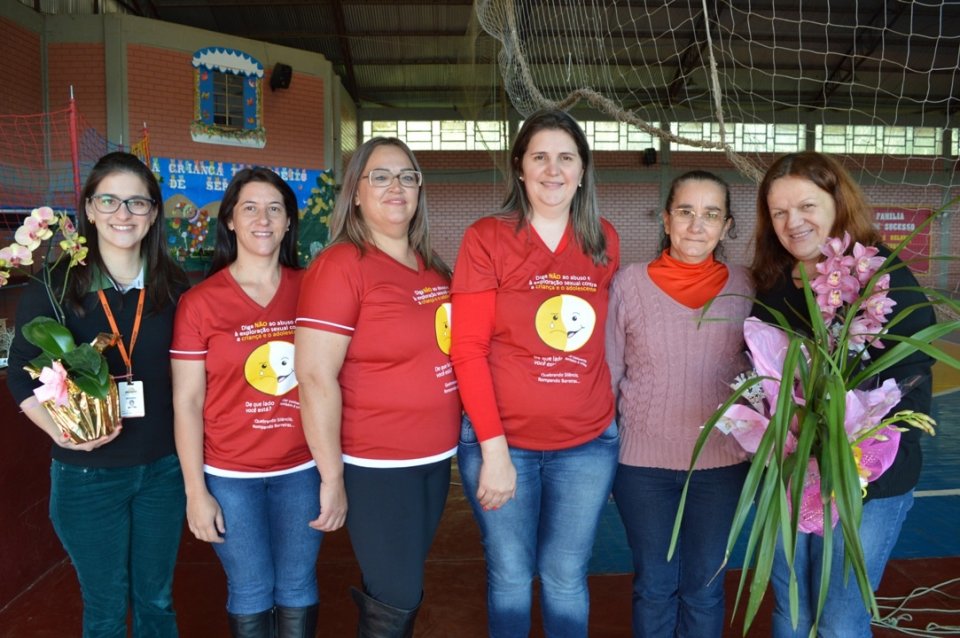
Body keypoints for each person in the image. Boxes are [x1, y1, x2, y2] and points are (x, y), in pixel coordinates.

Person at [751, 151, 936, 638]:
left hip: (869, 481)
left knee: (838, 620)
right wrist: (782, 421)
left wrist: (851, 437)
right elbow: (759, 375)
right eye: (779, 212)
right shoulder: (772, 286)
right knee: (791, 613)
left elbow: (914, 377)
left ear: (837, 202)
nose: (793, 222)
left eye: (807, 206)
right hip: (792, 475)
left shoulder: (882, 278)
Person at [450, 109, 620, 637]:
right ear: (519, 168)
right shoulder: (487, 237)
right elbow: (467, 350)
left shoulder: (603, 239)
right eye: (539, 157)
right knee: (511, 574)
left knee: (567, 575)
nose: (553, 169)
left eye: (566, 157)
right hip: (505, 447)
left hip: (587, 444)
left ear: (583, 170)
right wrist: (494, 451)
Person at [6, 151, 189, 637]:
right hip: (89, 476)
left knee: (157, 599)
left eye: (136, 202)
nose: (122, 214)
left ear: (153, 213)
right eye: (109, 200)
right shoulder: (57, 284)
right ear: (88, 209)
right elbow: (21, 376)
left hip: (163, 471)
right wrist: (62, 436)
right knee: (105, 610)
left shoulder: (175, 288)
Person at [295, 137, 460, 637]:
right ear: (357, 193)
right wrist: (331, 476)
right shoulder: (341, 265)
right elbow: (314, 375)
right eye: (381, 176)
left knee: (395, 586)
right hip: (377, 463)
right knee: (398, 595)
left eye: (407, 176)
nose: (397, 187)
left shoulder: (431, 265)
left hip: (434, 458)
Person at [170, 168, 320, 638]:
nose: (263, 219)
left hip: (302, 469)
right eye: (250, 208)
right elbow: (187, 402)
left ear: (288, 222)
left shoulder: (313, 289)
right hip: (231, 476)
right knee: (252, 588)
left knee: (297, 586)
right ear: (230, 220)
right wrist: (196, 493)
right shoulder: (200, 302)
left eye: (275, 208)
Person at [606, 170, 752, 637]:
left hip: (722, 468)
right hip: (642, 469)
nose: (697, 225)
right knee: (654, 586)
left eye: (711, 214)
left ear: (727, 226)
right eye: (686, 212)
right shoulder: (628, 285)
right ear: (667, 220)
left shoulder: (748, 288)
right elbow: (609, 375)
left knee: (705, 588)